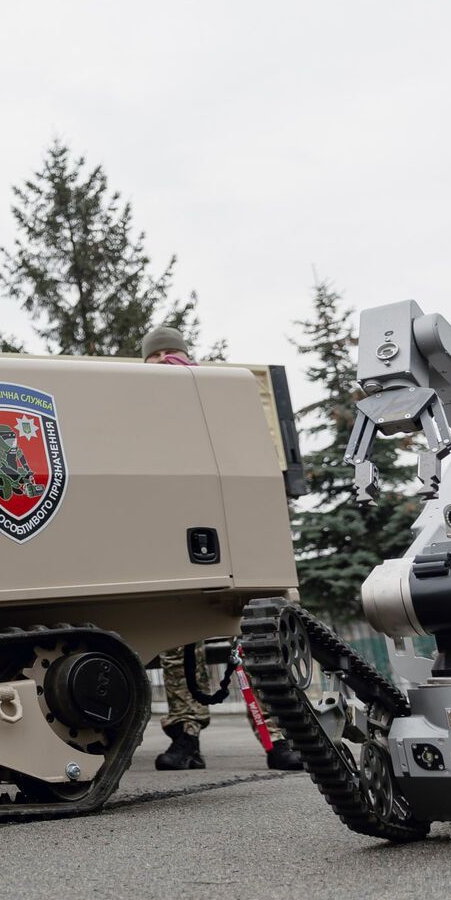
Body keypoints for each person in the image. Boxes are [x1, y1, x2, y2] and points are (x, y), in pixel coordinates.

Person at [138, 326, 303, 773]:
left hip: (218, 538)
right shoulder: (159, 408)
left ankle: (253, 738)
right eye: (161, 360)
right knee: (188, 644)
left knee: (241, 640)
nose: (166, 367)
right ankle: (261, 740)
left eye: (169, 358)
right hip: (192, 540)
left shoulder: (209, 397)